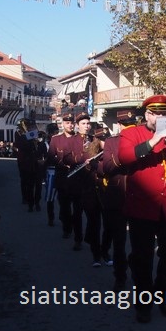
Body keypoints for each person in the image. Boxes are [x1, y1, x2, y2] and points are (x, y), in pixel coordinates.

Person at [118, 94, 166, 323]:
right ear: (148, 115)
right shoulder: (132, 133)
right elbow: (124, 157)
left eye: (164, 114)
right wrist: (154, 141)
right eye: (157, 114)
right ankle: (143, 302)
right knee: (142, 258)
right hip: (142, 207)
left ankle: (161, 289)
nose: (161, 118)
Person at [99, 111, 133, 290]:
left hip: (138, 196)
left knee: (140, 242)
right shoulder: (112, 142)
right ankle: (120, 276)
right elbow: (107, 166)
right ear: (119, 125)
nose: (128, 128)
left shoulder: (141, 140)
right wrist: (127, 154)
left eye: (131, 124)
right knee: (119, 242)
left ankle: (138, 272)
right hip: (116, 196)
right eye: (125, 125)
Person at [70, 113, 104, 266]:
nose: (86, 126)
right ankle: (78, 239)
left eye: (88, 123)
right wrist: (81, 159)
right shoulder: (72, 141)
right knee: (77, 214)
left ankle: (96, 250)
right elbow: (66, 158)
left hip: (91, 185)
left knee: (94, 218)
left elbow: (104, 156)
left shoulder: (95, 140)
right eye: (83, 123)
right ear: (77, 125)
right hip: (77, 183)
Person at [48, 113, 82, 244]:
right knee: (64, 207)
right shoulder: (56, 139)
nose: (70, 125)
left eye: (71, 123)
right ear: (62, 124)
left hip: (77, 179)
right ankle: (67, 228)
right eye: (67, 123)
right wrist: (63, 164)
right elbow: (51, 157)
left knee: (77, 209)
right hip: (62, 178)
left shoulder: (79, 138)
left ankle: (77, 234)